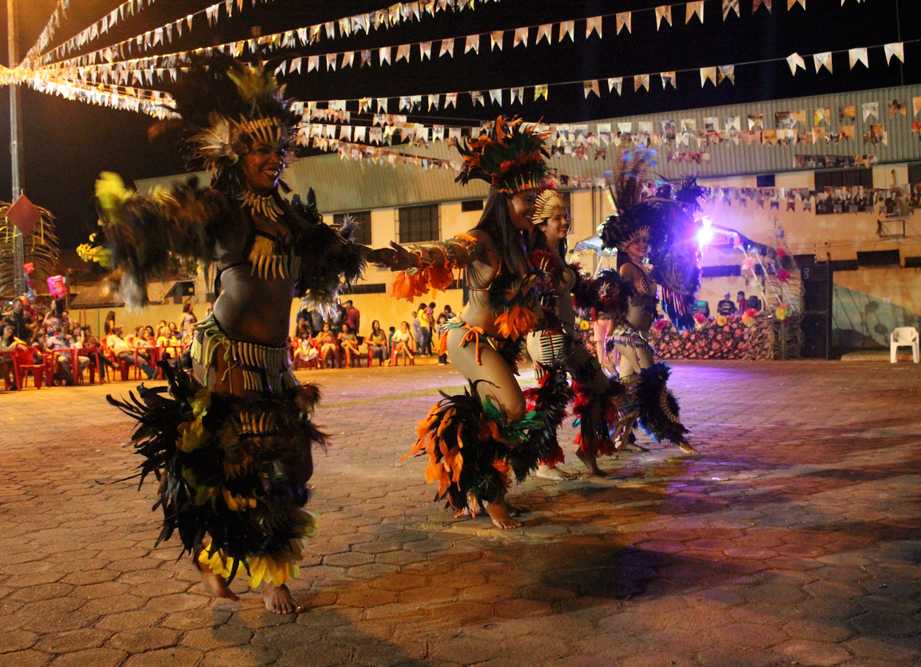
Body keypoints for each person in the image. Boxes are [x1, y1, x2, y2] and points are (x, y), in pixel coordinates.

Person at [77, 55, 371, 614]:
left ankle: (219, 561)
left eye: (280, 149)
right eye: (262, 150)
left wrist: (418, 255)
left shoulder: (289, 218)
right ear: (237, 153)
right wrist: (134, 222)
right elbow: (171, 222)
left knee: (294, 461)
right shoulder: (227, 211)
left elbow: (342, 255)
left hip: (273, 359)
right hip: (226, 353)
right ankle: (267, 576)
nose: (274, 159)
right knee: (246, 459)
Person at [379, 117, 556, 529]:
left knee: (501, 416)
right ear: (503, 199)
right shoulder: (484, 239)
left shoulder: (521, 246)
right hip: (467, 339)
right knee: (512, 406)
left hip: (495, 344)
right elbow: (452, 249)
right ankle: (491, 498)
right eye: (525, 200)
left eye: (535, 199)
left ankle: (490, 491)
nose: (533, 207)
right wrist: (415, 257)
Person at [600, 151, 698, 455]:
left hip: (637, 334)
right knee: (655, 383)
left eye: (645, 242)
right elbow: (613, 299)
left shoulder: (642, 266)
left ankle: (617, 439)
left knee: (628, 386)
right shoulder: (628, 269)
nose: (644, 246)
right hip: (628, 335)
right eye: (637, 242)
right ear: (624, 245)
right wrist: (601, 340)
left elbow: (666, 286)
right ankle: (676, 436)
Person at [526, 185, 623, 479]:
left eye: (565, 215)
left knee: (599, 386)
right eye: (556, 218)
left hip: (566, 337)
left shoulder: (559, 258)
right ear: (541, 224)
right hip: (545, 336)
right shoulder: (535, 261)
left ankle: (587, 450)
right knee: (550, 396)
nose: (564, 221)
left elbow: (582, 292)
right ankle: (544, 463)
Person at [0, 323, 28, 389]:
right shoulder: (0, 339)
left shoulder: (13, 339)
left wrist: (16, 343)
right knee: (4, 366)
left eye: (11, 329)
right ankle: (10, 383)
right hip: (2, 359)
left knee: (18, 364)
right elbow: (4, 350)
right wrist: (15, 345)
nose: (10, 331)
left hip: (9, 358)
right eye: (8, 329)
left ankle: (16, 384)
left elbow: (24, 343)